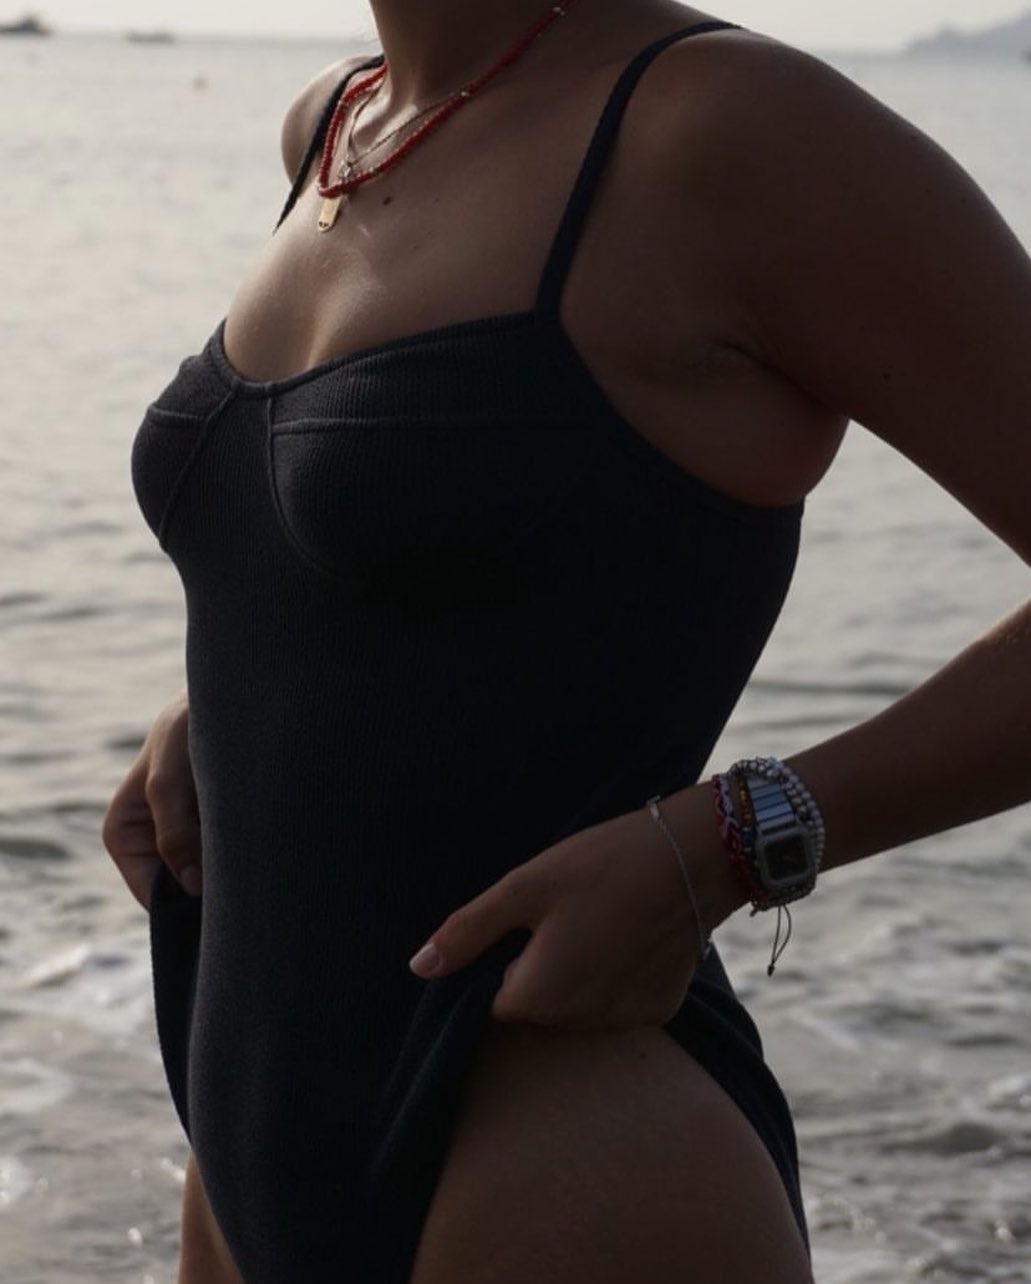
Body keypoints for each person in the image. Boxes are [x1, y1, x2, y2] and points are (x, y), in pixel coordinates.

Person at [102, 1, 1031, 1280]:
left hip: (560, 1160)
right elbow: (399, 565)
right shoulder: (337, 125)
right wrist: (229, 703)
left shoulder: (725, 130)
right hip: (247, 1145)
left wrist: (736, 838)